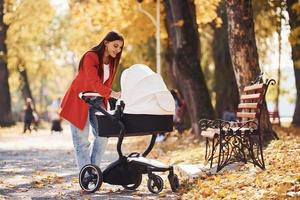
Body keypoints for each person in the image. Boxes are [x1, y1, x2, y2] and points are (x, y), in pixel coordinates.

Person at [59, 31, 124, 174]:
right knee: (82, 142)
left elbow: (104, 85)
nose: (118, 50)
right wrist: (114, 94)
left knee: (103, 135)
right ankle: (87, 176)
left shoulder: (112, 62)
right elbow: (93, 82)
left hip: (98, 101)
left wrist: (112, 94)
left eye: (120, 47)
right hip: (79, 100)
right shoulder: (91, 56)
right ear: (106, 43)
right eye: (115, 46)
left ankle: (93, 173)